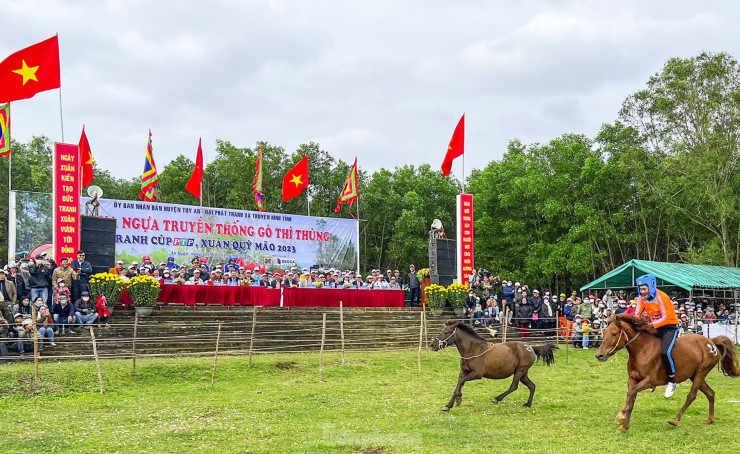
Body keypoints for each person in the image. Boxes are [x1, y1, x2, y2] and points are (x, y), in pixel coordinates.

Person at [635, 274, 681, 398]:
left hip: (669, 328)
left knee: (665, 353)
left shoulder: (662, 297)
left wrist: (651, 325)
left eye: (644, 289)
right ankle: (651, 377)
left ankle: (672, 381)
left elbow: (667, 317)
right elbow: (637, 314)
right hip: (653, 327)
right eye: (640, 289)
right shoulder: (641, 298)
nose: (642, 292)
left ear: (651, 286)